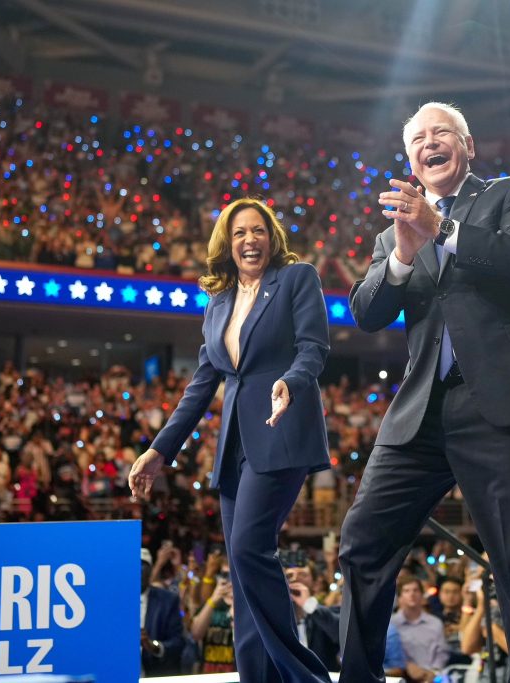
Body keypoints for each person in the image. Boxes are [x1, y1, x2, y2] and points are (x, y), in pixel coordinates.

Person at [338, 101, 510, 683]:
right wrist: (402, 254)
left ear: (468, 147)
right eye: (418, 139)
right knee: (362, 541)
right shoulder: (393, 233)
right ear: (409, 159)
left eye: (441, 133)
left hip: (502, 404)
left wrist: (441, 229)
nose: (430, 143)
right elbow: (367, 312)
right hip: (421, 411)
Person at [129, 197, 332, 683]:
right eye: (239, 232)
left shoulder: (296, 278)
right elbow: (202, 384)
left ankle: (306, 678)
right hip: (234, 449)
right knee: (241, 574)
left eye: (258, 230)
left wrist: (291, 383)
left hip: (280, 432)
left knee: (247, 549)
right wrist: (159, 450)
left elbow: (313, 348)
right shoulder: (218, 303)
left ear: (271, 237)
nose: (249, 240)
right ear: (227, 242)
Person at [140, 547, 184, 676]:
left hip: (155, 672)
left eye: (143, 566)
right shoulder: (114, 600)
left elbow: (178, 642)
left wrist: (153, 646)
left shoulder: (167, 600)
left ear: (150, 570)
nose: (138, 570)